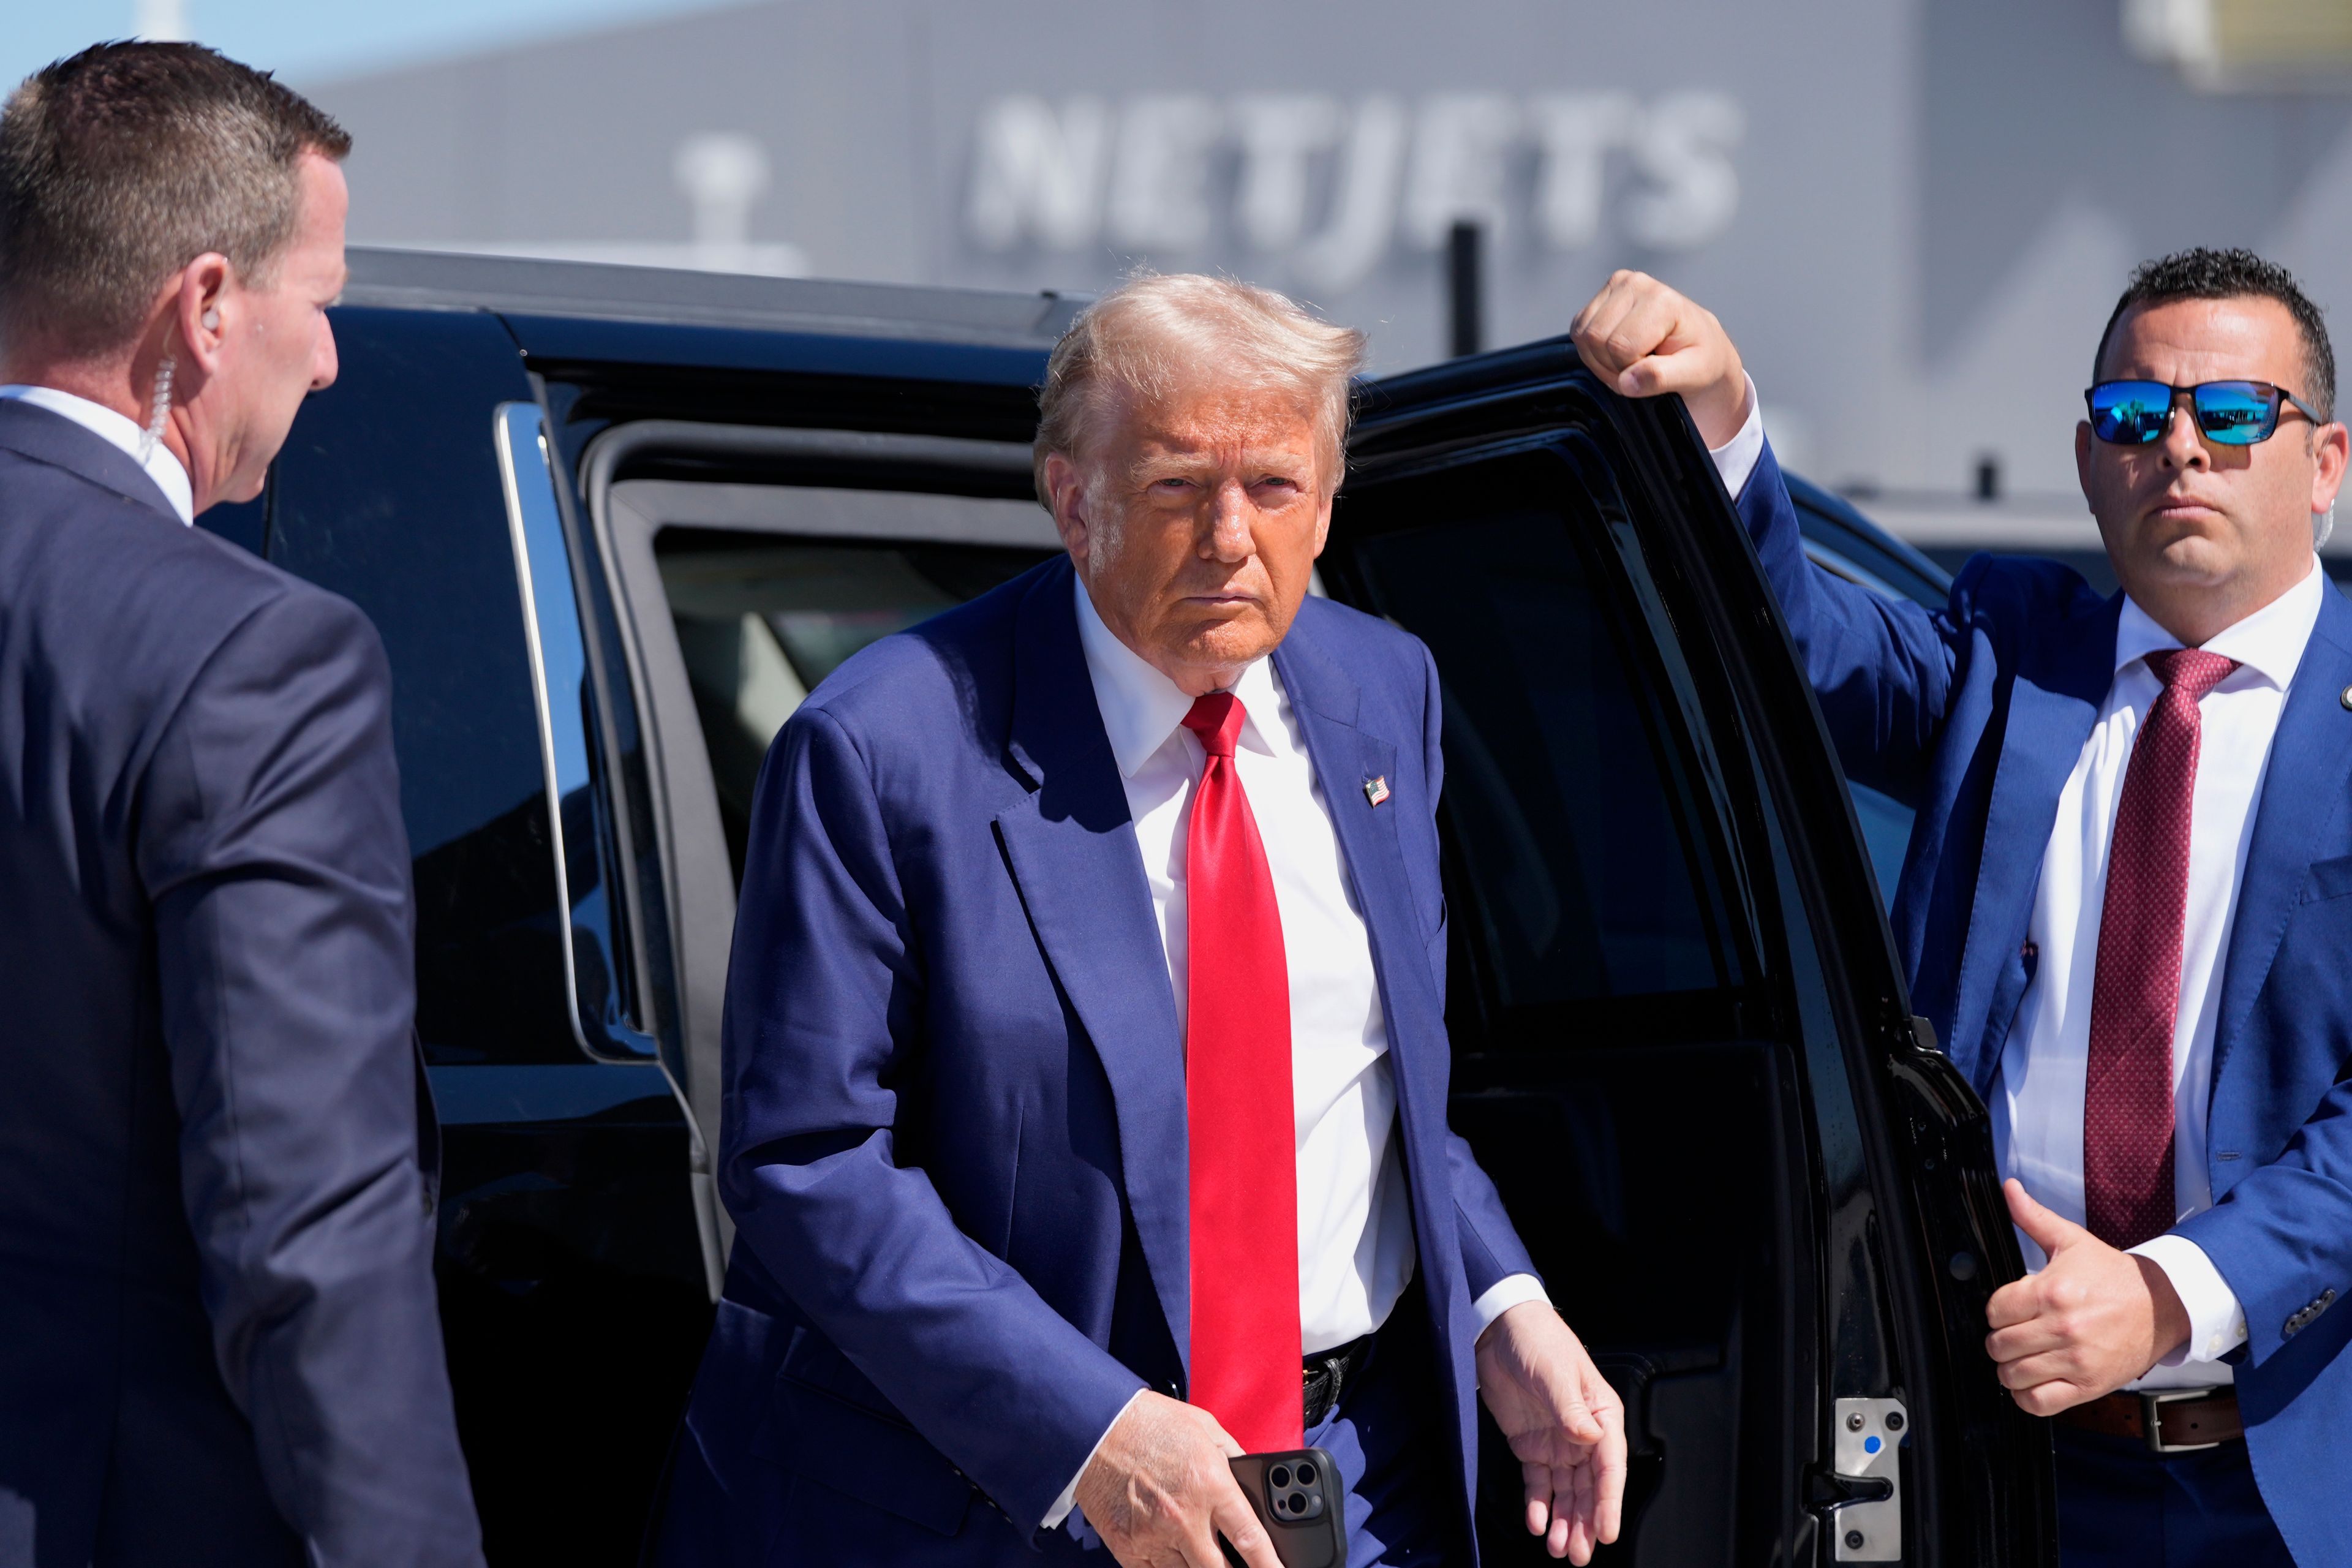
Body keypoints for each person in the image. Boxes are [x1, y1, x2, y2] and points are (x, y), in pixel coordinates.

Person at [654, 273, 1627, 1568]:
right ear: (1073, 498)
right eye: (1177, 487)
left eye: (1276, 487)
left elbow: (1389, 1089)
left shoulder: (1386, 690)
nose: (1232, 536)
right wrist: (1091, 1429)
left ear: (1329, 498)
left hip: (1357, 1467)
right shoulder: (885, 742)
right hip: (1017, 1492)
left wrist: (1504, 1304)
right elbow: (810, 1157)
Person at [1573, 251, 2352, 1566]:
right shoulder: (2008, 651)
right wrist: (1719, 413)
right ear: (2089, 453)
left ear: (2324, 462)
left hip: (2284, 1470)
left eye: (2231, 414)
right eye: (2131, 416)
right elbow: (1799, 646)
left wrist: (2167, 1293)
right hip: (1994, 1458)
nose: (2178, 448)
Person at [0, 43, 483, 1567]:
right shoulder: (250, 652)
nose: (329, 358)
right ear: (204, 307)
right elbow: (308, 1238)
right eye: (319, 299)